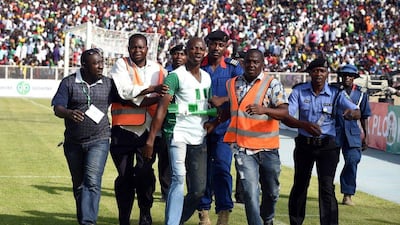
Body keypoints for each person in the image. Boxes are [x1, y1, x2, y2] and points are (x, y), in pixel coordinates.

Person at [212, 49, 288, 225]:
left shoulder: (272, 83)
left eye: (256, 62)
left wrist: (265, 110)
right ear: (243, 63)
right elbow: (232, 110)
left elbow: (284, 112)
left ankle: (267, 218)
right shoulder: (232, 84)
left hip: (268, 148)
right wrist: (214, 123)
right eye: (249, 62)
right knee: (249, 192)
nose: (252, 65)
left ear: (262, 64)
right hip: (243, 148)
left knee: (272, 192)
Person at [283, 57, 362, 225]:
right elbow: (287, 116)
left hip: (328, 146)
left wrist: (351, 114)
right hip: (305, 144)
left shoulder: (336, 93)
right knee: (300, 185)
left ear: (327, 74)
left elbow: (356, 111)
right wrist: (303, 124)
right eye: (315, 71)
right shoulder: (299, 91)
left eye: (322, 71)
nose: (319, 74)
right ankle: (295, 222)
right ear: (310, 73)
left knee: (327, 188)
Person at [143, 37, 211, 225]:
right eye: (193, 48)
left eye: (200, 49)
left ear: (204, 52)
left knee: (198, 190)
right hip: (177, 134)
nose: (197, 51)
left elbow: (208, 104)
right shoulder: (175, 76)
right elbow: (162, 109)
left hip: (199, 137)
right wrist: (150, 139)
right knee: (178, 179)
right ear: (187, 51)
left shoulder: (207, 77)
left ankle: (176, 219)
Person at [51, 48, 117, 225]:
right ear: (84, 66)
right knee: (79, 184)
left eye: (102, 62)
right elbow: (57, 108)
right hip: (73, 142)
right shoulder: (69, 82)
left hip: (100, 139)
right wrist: (69, 113)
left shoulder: (109, 84)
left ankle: (88, 222)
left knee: (92, 181)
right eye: (96, 63)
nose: (101, 66)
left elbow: (127, 99)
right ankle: (84, 219)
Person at [109, 33, 168, 225]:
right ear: (128, 48)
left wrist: (141, 96)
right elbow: (124, 92)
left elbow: (165, 96)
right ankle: (124, 218)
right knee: (125, 177)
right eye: (134, 47)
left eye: (141, 47)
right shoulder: (121, 64)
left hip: (149, 132)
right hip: (124, 130)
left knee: (144, 174)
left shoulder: (159, 69)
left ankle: (145, 213)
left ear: (147, 49)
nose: (137, 50)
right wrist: (151, 90)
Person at [197, 29, 244, 225]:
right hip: (199, 127)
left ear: (226, 46)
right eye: (213, 44)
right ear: (208, 44)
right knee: (202, 171)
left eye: (220, 45)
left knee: (223, 169)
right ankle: (204, 211)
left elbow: (243, 92)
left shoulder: (233, 68)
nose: (216, 48)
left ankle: (224, 211)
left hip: (224, 128)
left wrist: (223, 99)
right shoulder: (198, 65)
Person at [335, 64, 371, 206]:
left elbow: (364, 116)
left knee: (353, 160)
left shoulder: (361, 94)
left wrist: (366, 136)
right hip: (335, 131)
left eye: (350, 76)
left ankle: (347, 194)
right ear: (341, 77)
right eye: (345, 75)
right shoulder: (334, 90)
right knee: (329, 162)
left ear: (355, 78)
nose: (347, 78)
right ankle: (327, 191)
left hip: (353, 133)